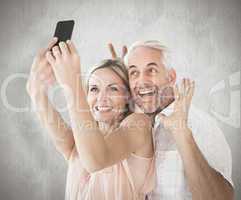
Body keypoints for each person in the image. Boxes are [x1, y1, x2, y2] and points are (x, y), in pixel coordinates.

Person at [26, 38, 155, 200]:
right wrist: (35, 89)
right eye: (94, 89)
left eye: (113, 89)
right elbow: (40, 101)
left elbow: (96, 160)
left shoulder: (139, 124)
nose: (102, 98)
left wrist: (72, 83)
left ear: (128, 96)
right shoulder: (78, 143)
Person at [109, 41, 234, 200]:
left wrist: (182, 134)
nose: (142, 81)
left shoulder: (200, 125)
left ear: (171, 77)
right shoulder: (132, 122)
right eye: (133, 73)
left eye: (151, 70)